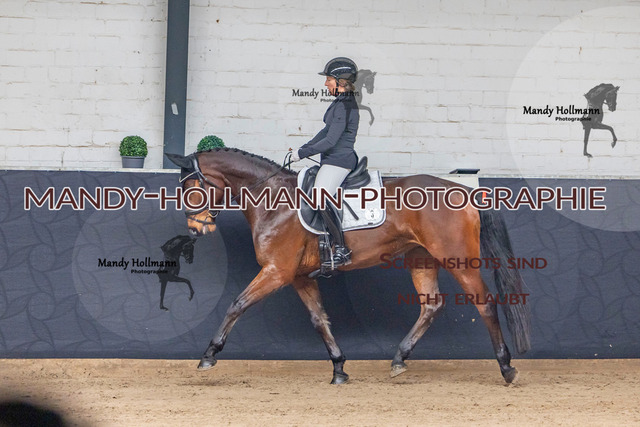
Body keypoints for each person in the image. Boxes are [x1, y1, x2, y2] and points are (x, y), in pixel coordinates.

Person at [290, 57, 360, 268]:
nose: (325, 84)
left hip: (339, 161)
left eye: (329, 79)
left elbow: (331, 141)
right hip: (331, 160)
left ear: (340, 81)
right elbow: (325, 132)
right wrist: (303, 148)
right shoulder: (340, 103)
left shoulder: (345, 105)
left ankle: (341, 248)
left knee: (320, 196)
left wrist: (304, 153)